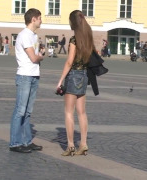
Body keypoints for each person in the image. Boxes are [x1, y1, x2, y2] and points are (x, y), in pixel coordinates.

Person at [56, 10, 94, 156]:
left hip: (73, 75)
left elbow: (69, 62)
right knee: (82, 112)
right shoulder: (88, 38)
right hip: (84, 75)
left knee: (68, 112)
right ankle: (83, 143)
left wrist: (60, 81)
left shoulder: (74, 40)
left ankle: (71, 145)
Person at [9, 8, 44, 153]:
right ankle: (15, 143)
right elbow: (34, 57)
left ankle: (26, 140)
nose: (41, 20)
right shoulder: (24, 35)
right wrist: (41, 55)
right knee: (20, 110)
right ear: (33, 19)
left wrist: (39, 55)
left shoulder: (34, 36)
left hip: (33, 75)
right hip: (24, 76)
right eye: (40, 18)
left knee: (28, 111)